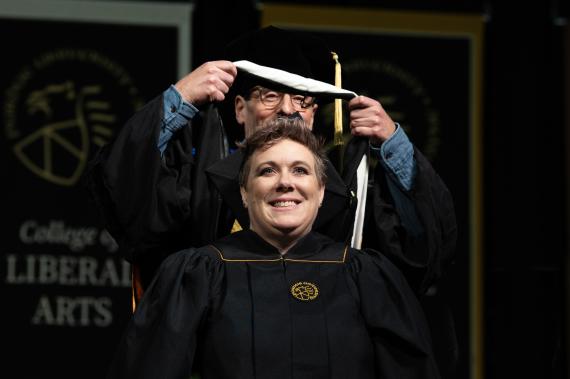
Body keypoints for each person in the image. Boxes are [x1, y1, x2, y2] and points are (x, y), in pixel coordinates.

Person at [84, 25, 457, 372]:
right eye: (271, 95)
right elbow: (127, 187)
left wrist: (392, 142)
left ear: (322, 188)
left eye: (302, 99)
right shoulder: (197, 203)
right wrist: (178, 98)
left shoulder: (352, 213)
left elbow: (421, 251)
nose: (288, 109)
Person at [106, 118, 441, 379]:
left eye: (300, 170)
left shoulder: (365, 276)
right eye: (267, 171)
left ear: (321, 191)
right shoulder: (200, 273)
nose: (285, 182)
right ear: (244, 192)